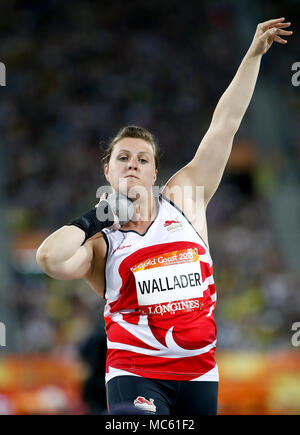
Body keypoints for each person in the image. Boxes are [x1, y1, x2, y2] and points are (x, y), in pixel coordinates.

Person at [36, 18, 292, 415]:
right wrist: (96, 218)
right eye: (123, 158)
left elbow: (225, 125)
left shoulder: (185, 200)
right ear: (108, 171)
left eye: (143, 159)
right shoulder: (100, 244)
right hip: (135, 372)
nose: (133, 165)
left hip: (200, 373)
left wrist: (253, 54)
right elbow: (49, 258)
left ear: (156, 172)